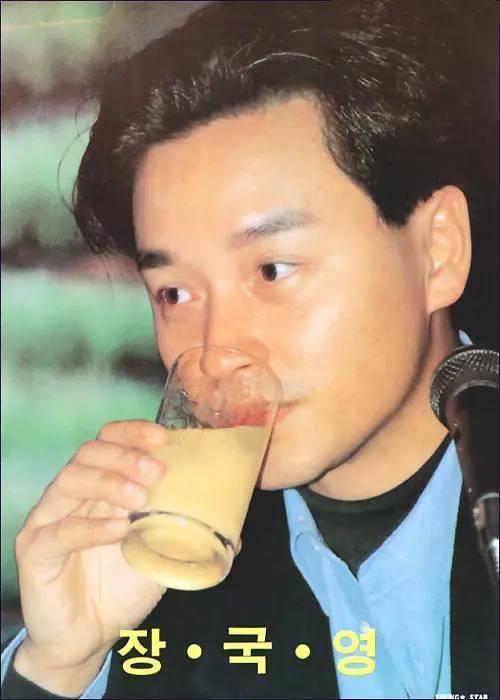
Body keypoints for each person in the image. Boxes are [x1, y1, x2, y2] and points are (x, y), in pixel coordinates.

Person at [1, 1, 497, 698]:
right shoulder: (154, 584)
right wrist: (60, 669)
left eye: (272, 269)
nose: (217, 351)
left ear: (438, 250)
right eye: (174, 292)